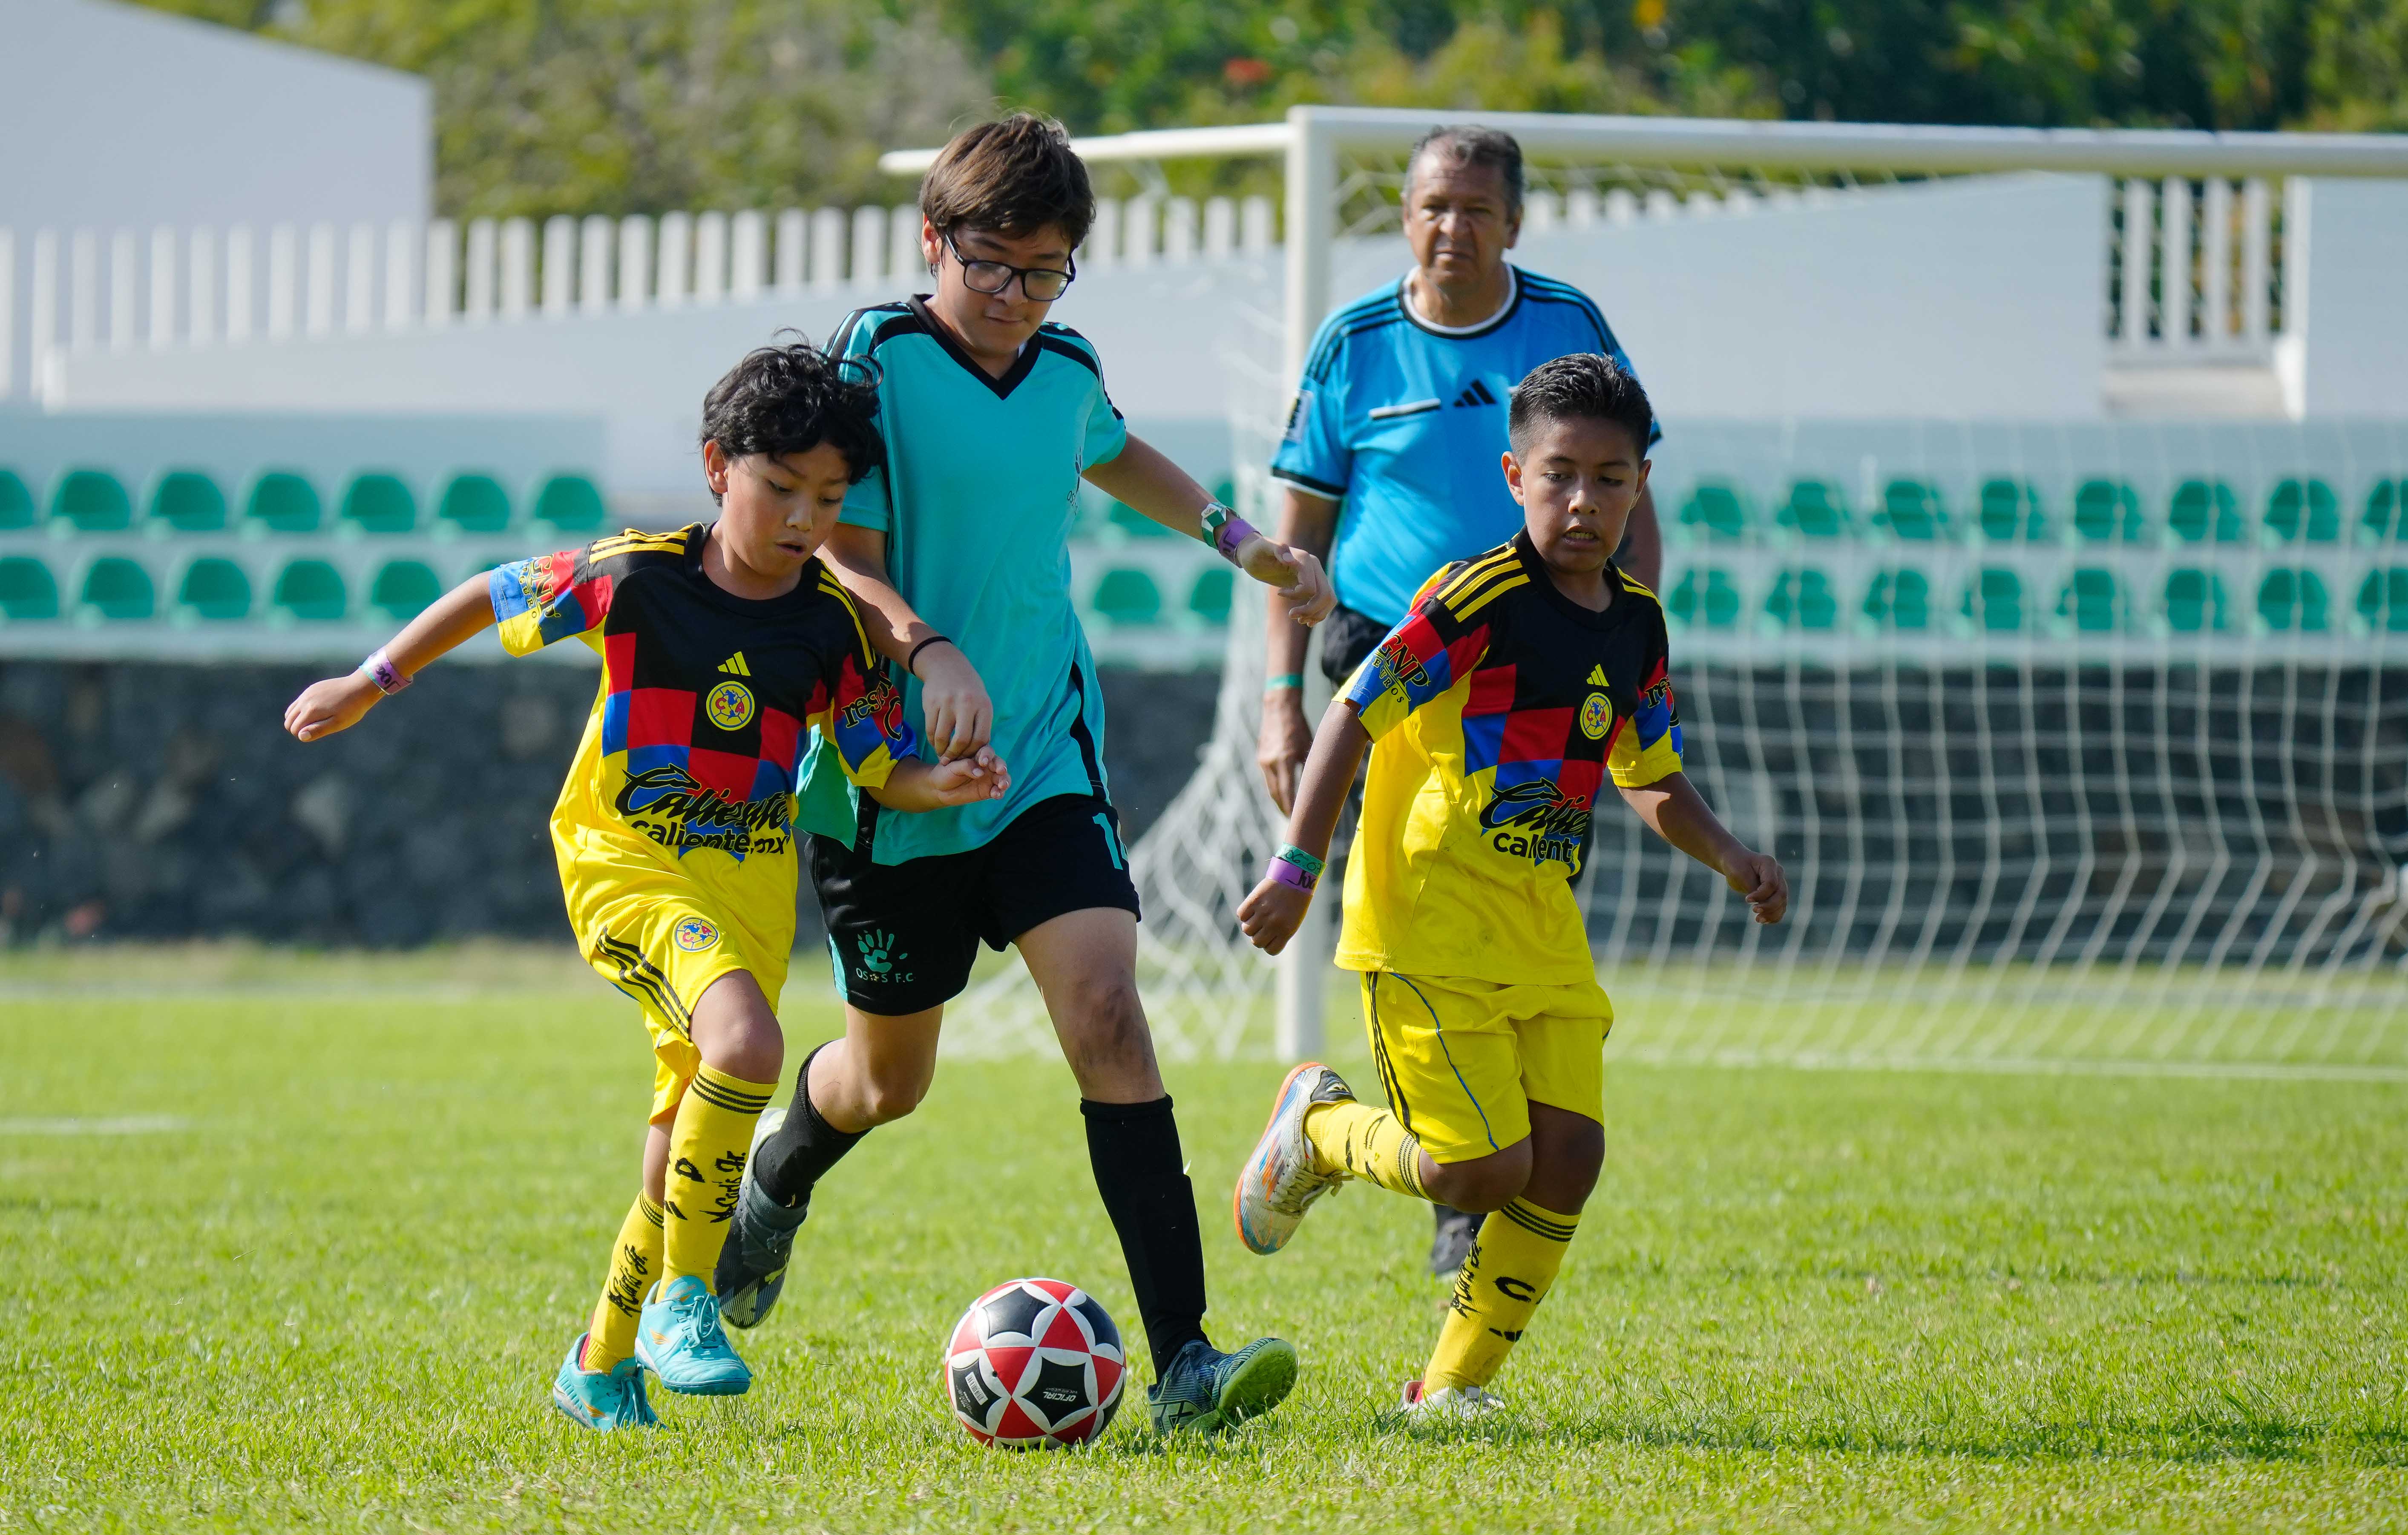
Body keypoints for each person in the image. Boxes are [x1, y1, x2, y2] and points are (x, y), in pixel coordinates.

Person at [713, 114, 1335, 1436]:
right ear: (933, 240)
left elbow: (1111, 446)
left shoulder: (1064, 365)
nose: (1011, 297)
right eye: (990, 265)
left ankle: (1185, 1361)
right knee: (889, 1081)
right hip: (893, 775)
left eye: (1043, 272)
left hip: (1045, 750)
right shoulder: (876, 360)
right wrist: (925, 647)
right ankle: (777, 1171)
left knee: (1108, 1012)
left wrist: (1241, 540)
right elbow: (840, 547)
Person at [282, 342, 1008, 1431]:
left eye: (829, 497)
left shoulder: (834, 627)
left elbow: (870, 764)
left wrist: (934, 782)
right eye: (781, 488)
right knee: (752, 1050)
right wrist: (370, 681)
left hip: (748, 890)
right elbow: (492, 593)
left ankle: (598, 1363)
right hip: (626, 863)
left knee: (685, 1143)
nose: (806, 518)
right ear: (720, 467)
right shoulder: (636, 575)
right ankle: (683, 1300)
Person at [1231, 354, 1787, 1417]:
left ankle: (1449, 1391)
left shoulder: (1636, 625)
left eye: (1612, 479)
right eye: (1560, 474)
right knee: (1477, 1174)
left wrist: (1729, 854)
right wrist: (1298, 868)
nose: (1584, 501)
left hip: (1539, 923)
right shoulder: (1473, 599)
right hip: (1426, 919)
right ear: (1514, 474)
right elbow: (1353, 709)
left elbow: (1647, 771)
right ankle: (1322, 1131)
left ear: (1640, 486)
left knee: (1570, 1156)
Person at [1258, 125, 1667, 1280]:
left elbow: (1631, 494)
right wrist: (1282, 698)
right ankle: (1437, 1170)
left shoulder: (1569, 329)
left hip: (1542, 664)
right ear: (1404, 213)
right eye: (1435, 205)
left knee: (1519, 881)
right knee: (1415, 911)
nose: (1454, 228)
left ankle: (1453, 1167)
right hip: (1391, 652)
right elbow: (1297, 542)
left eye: (1477, 209)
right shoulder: (1355, 343)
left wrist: (1622, 635)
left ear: (1514, 222)